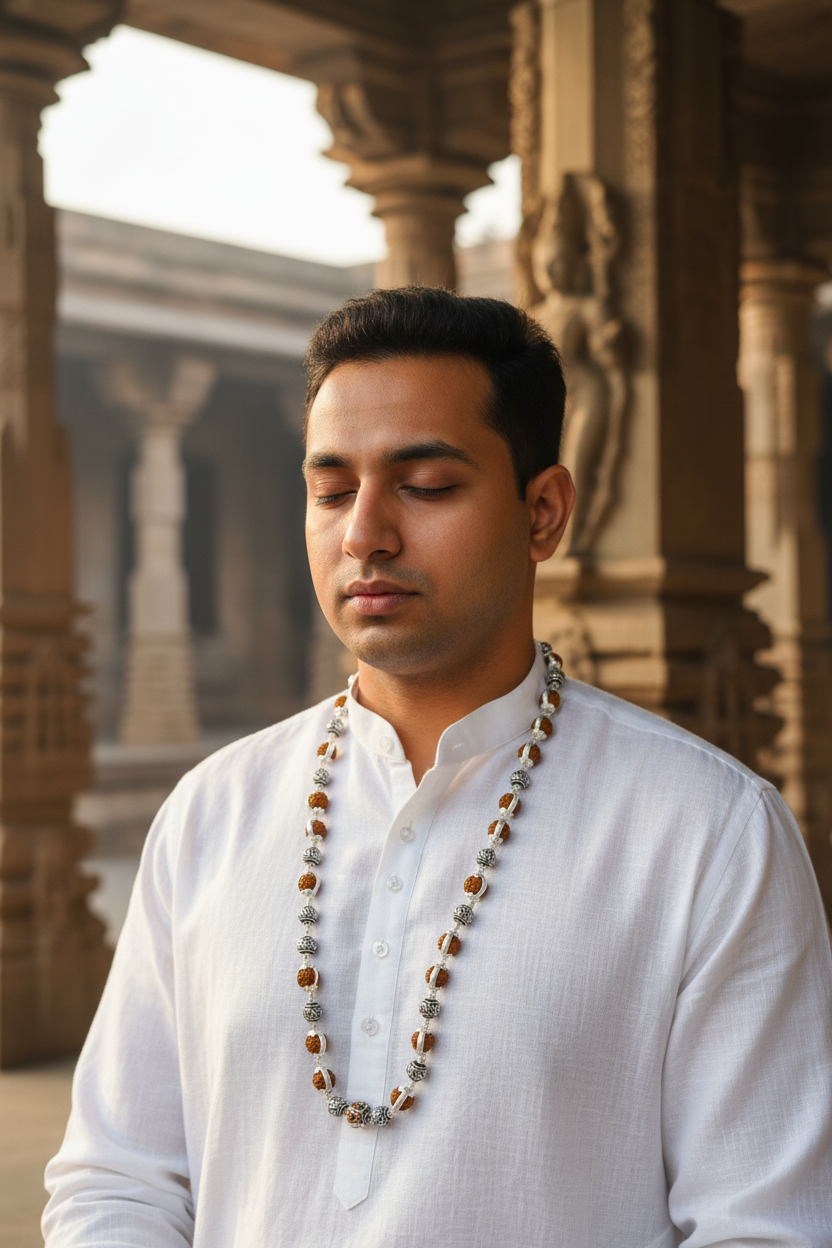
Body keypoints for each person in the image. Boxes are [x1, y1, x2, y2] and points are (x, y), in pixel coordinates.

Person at [44, 287, 832, 1247]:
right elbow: (118, 1179)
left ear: (542, 512)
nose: (364, 534)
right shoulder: (214, 812)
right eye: (331, 490)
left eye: (424, 485)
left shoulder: (710, 834)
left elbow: (766, 1225)